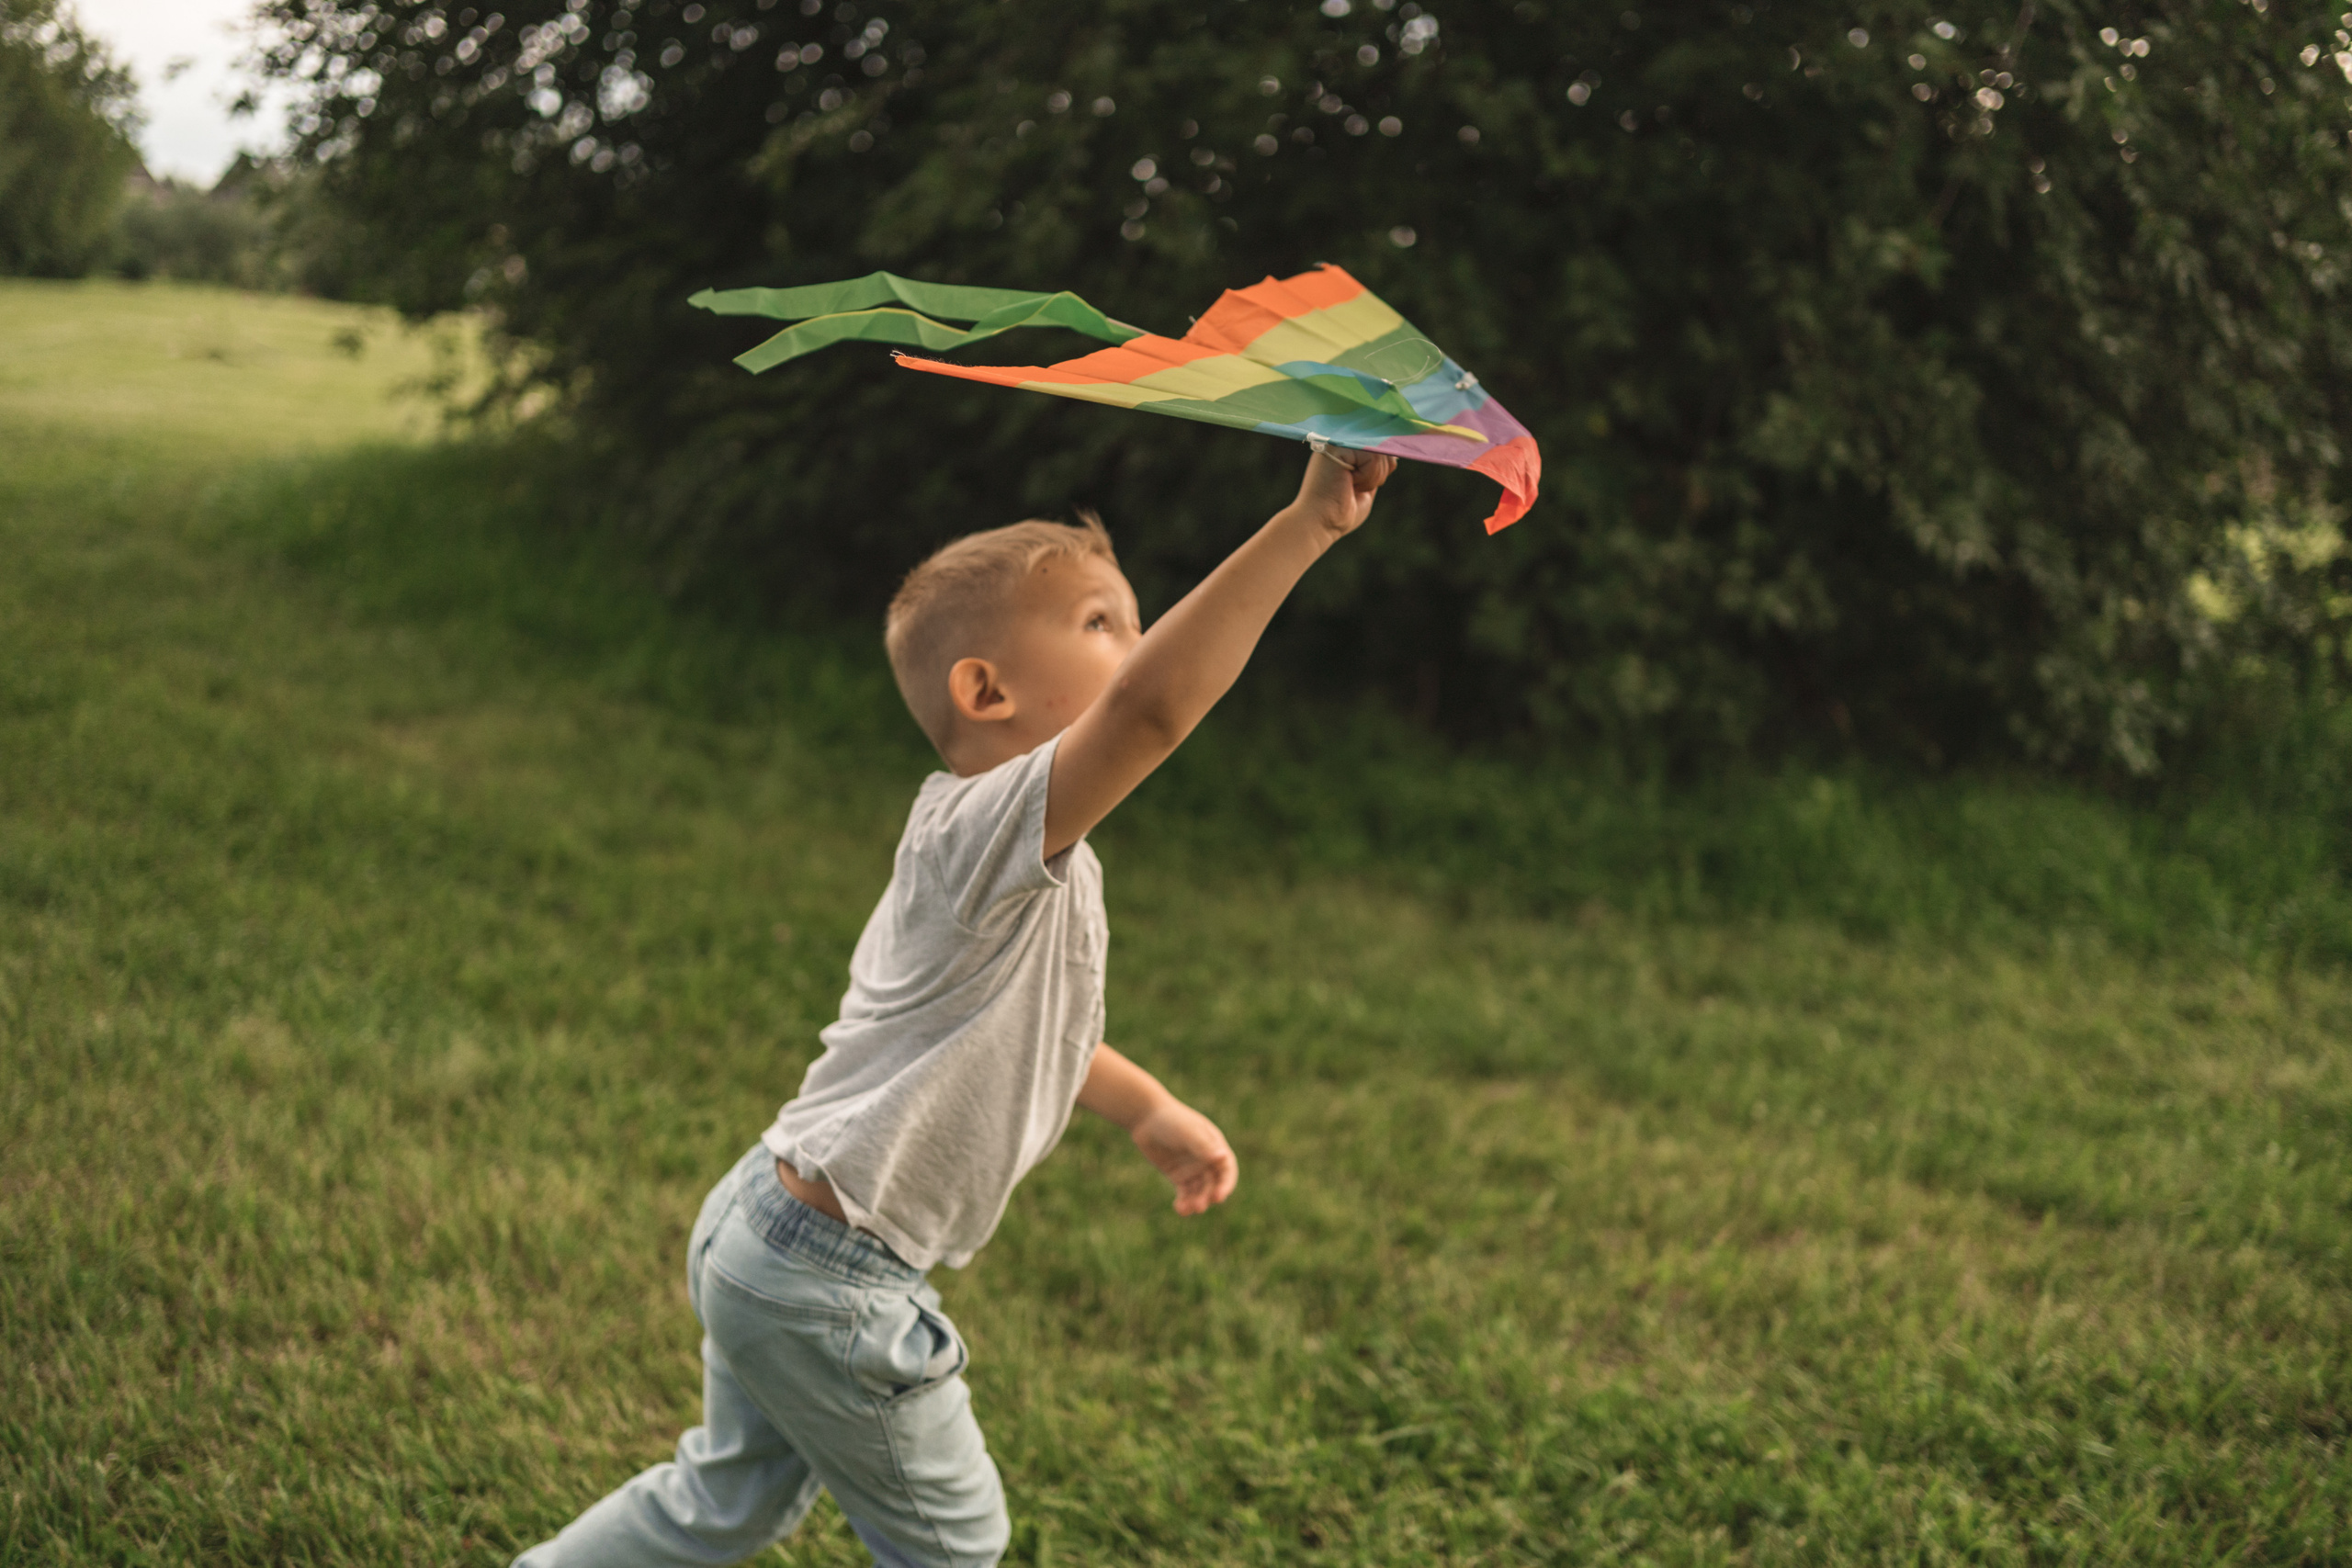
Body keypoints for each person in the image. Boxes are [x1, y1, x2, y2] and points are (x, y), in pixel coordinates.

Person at [514, 446, 1396, 1568]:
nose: (1133, 649)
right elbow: (1150, 710)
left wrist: (1145, 1107)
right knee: (957, 1546)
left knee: (725, 1505)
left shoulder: (1008, 859)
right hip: (831, 1275)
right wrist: (1308, 525)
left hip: (769, 1230)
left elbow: (1027, 1034)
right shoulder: (985, 829)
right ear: (985, 691)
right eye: (1102, 623)